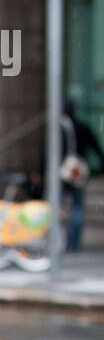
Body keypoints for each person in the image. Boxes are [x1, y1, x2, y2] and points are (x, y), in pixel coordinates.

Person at [61, 99, 104, 252]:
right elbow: (96, 147)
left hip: (61, 173)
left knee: (58, 207)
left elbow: (47, 153)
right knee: (77, 207)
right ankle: (73, 243)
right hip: (77, 173)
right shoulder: (83, 127)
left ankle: (59, 240)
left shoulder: (59, 129)